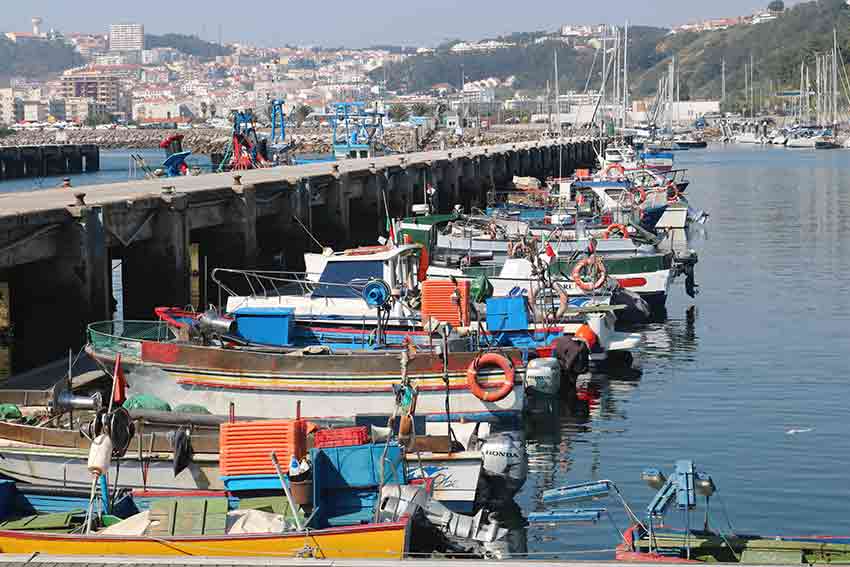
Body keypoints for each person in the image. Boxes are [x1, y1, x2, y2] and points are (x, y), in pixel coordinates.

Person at [552, 323, 597, 389]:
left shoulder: (572, 341)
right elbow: (568, 366)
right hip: (558, 354)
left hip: (558, 350)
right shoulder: (576, 350)